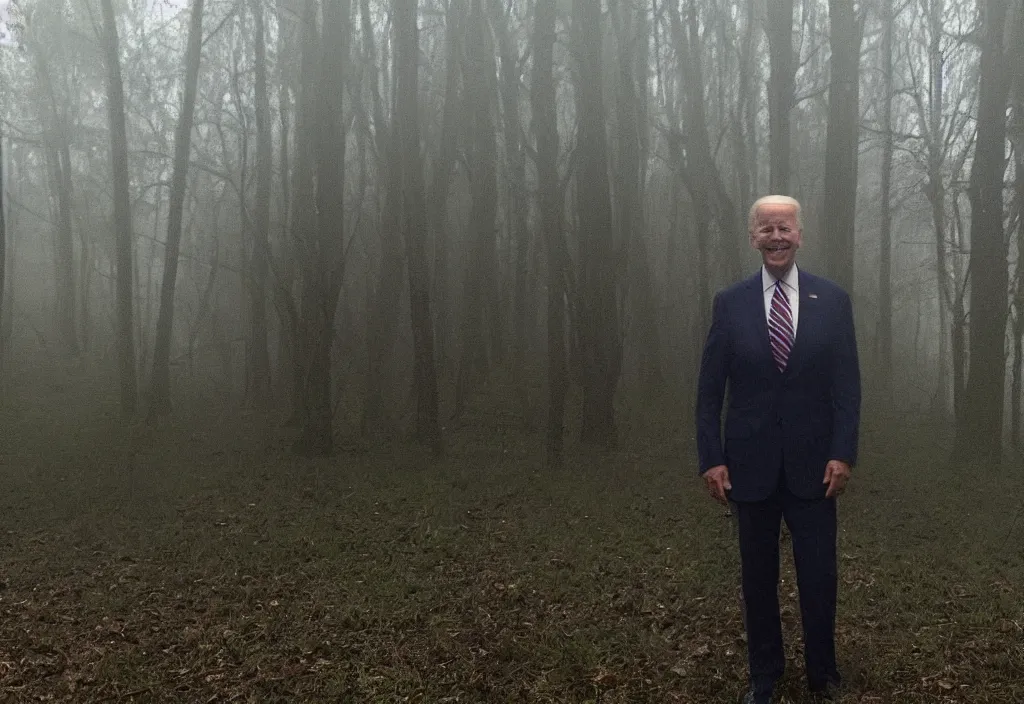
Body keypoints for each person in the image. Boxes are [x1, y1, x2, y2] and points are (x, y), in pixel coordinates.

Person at [695, 195, 861, 704]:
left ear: (799, 234)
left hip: (816, 468)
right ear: (753, 237)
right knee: (757, 581)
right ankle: (763, 675)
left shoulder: (832, 301)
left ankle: (823, 674)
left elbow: (847, 386)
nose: (776, 237)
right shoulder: (731, 302)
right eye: (765, 228)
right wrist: (712, 458)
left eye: (784, 227)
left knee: (819, 578)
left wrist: (843, 452)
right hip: (750, 467)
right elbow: (709, 391)